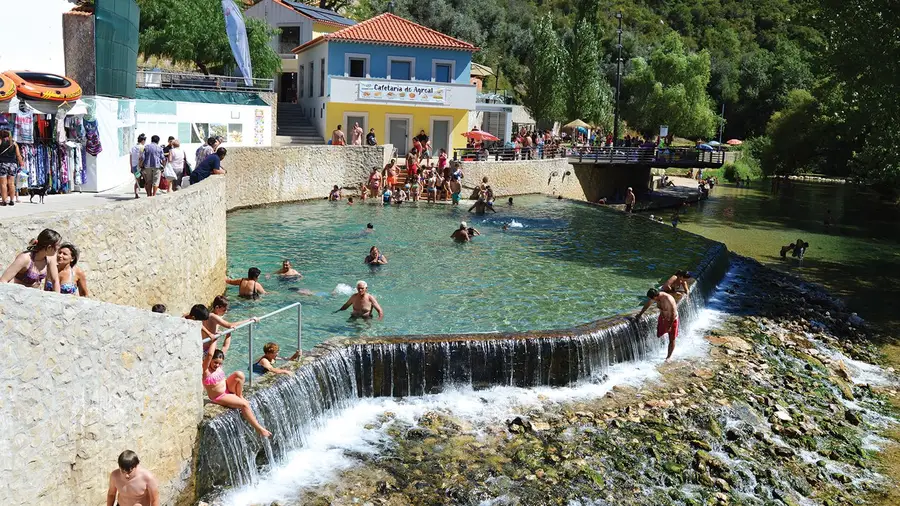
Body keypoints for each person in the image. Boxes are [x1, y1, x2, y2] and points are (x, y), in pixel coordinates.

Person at [203, 349, 272, 437]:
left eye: (220, 363)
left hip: (227, 388)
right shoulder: (205, 370)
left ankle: (240, 396)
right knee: (244, 405)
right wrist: (212, 338)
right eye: (215, 362)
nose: (217, 365)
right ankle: (258, 428)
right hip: (220, 396)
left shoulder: (219, 366)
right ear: (210, 360)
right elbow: (209, 354)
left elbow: (225, 346)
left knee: (239, 374)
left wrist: (227, 335)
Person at [634, 288, 679, 360]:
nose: (651, 300)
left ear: (655, 296)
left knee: (672, 339)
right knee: (659, 334)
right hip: (663, 318)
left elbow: (673, 314)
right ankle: (661, 347)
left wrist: (669, 326)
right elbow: (647, 305)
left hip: (672, 320)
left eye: (651, 299)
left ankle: (668, 357)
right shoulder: (656, 297)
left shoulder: (668, 299)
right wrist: (640, 314)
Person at [0, 129, 25, 206]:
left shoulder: (0, 141)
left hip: (2, 163)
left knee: (3, 184)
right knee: (11, 183)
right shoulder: (14, 143)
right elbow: (18, 155)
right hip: (12, 165)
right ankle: (11, 200)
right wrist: (21, 163)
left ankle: (4, 201)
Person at [129, 133, 146, 199]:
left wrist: (131, 167)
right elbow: (142, 157)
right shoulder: (142, 147)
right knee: (146, 179)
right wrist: (141, 165)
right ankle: (148, 193)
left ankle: (136, 193)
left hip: (134, 167)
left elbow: (130, 158)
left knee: (137, 180)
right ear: (143, 141)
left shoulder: (133, 148)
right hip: (140, 166)